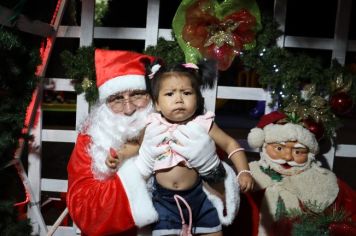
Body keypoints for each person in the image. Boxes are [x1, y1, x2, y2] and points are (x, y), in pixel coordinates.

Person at [66, 49, 240, 236]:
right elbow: (86, 214)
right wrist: (140, 169)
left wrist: (211, 168)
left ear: (154, 98)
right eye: (117, 98)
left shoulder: (190, 127)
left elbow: (224, 202)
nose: (129, 108)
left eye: (138, 95)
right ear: (104, 104)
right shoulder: (93, 140)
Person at [106, 60, 254, 235]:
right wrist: (120, 156)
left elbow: (230, 144)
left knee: (213, 231)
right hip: (163, 199)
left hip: (199, 195)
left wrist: (244, 171)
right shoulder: (151, 124)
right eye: (169, 94)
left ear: (197, 99)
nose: (178, 99)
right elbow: (135, 146)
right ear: (157, 104)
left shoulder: (203, 123)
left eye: (186, 93)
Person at [226, 111, 356, 236]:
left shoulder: (322, 181)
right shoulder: (248, 173)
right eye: (279, 148)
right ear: (264, 145)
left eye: (298, 152)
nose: (288, 157)